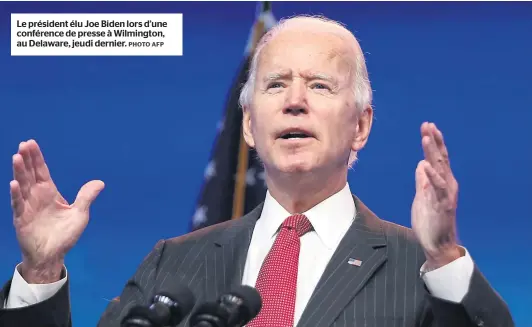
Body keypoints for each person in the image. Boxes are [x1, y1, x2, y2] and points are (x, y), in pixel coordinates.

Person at [0, 15, 513, 327]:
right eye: (275, 86)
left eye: (319, 86)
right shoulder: (172, 267)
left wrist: (444, 256)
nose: (294, 102)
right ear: (248, 126)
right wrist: (41, 272)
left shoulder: (416, 268)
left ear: (360, 126)